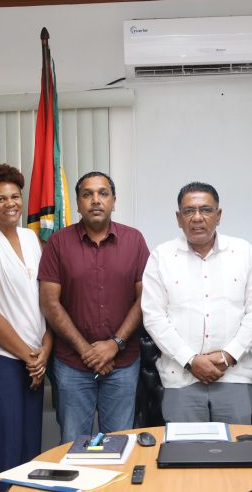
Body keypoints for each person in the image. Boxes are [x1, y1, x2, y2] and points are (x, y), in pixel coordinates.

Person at [142, 182, 252, 423]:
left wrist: (228, 356)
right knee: (185, 456)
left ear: (218, 215)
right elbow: (154, 317)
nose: (197, 218)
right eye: (189, 211)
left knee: (237, 455)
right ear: (179, 218)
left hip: (233, 376)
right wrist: (191, 360)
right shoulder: (162, 257)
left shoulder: (243, 252)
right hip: (180, 378)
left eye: (206, 210)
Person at [38, 171, 149, 444]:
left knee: (120, 444)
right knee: (73, 445)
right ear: (77, 203)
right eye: (87, 194)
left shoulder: (134, 240)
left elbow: (146, 299)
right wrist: (86, 350)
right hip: (72, 365)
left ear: (113, 201)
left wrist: (115, 344)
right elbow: (49, 302)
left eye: (103, 193)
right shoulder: (58, 243)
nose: (95, 200)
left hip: (122, 364)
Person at [0, 164, 51, 486]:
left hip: (36, 359)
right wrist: (31, 358)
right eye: (0, 199)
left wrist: (43, 352)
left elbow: (46, 301)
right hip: (4, 360)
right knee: (5, 451)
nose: (10, 204)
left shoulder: (32, 238)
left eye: (15, 196)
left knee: (31, 452)